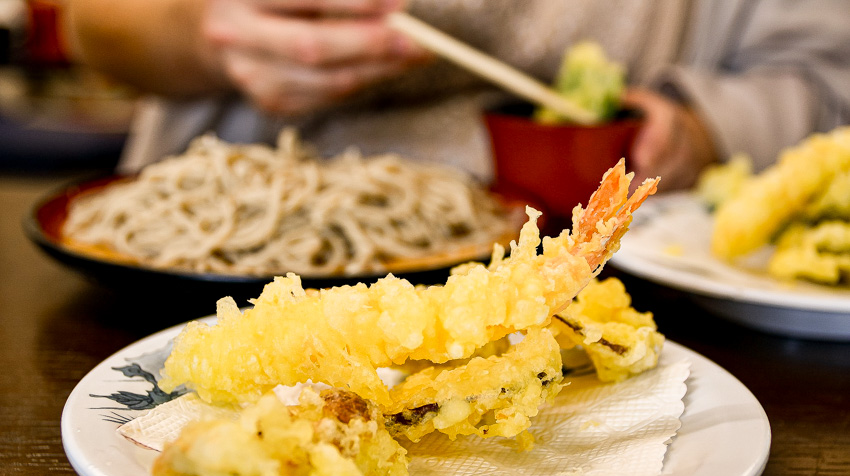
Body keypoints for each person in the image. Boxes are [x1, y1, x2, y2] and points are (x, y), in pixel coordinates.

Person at [61, 0, 850, 191]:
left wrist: (708, 126)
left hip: (618, 281)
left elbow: (825, 76)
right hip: (209, 244)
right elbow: (94, 24)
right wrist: (200, 31)